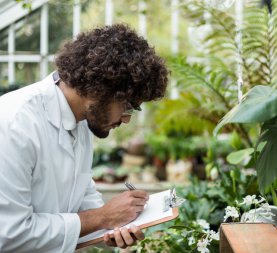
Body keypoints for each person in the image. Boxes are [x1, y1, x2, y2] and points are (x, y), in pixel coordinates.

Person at [0, 24, 168, 252]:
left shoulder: (80, 119)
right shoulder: (14, 123)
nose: (126, 119)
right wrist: (102, 218)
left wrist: (115, 225)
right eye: (127, 105)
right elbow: (9, 233)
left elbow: (81, 193)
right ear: (99, 89)